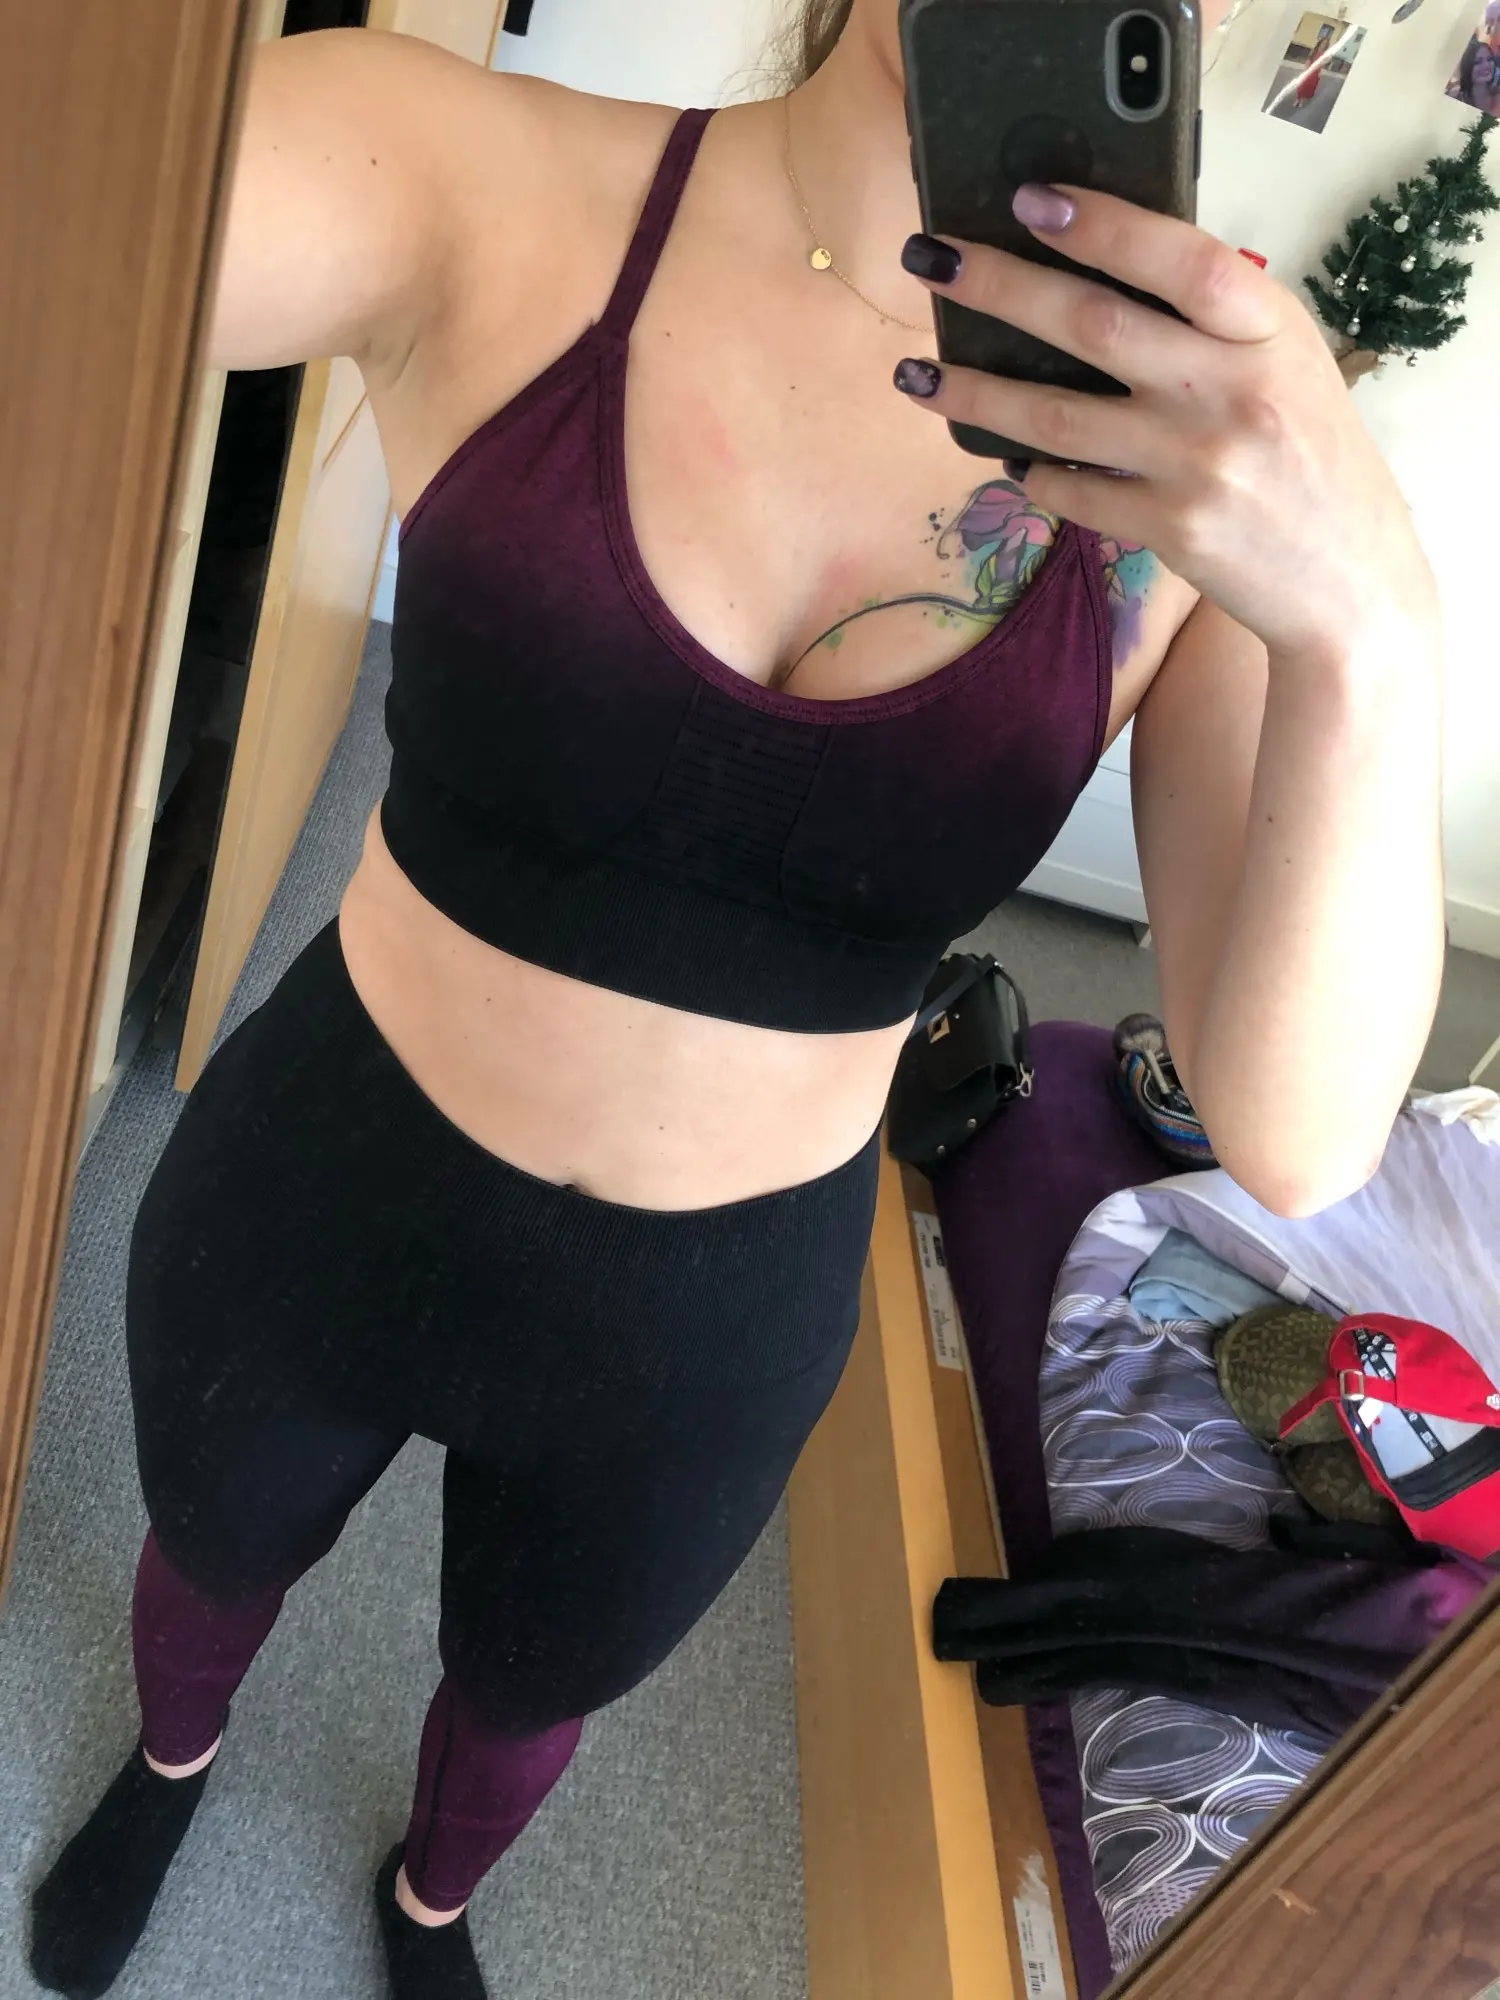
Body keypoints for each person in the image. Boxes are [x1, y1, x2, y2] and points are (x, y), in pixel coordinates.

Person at [27, 0, 1445, 1994]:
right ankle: (169, 1769)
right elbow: (65, 191)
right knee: (210, 1549)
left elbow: (1298, 1131)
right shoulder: (475, 177)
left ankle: (428, 1904)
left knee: (535, 1686)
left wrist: (1372, 615)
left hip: (706, 1329)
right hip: (327, 1184)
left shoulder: (1206, 493)